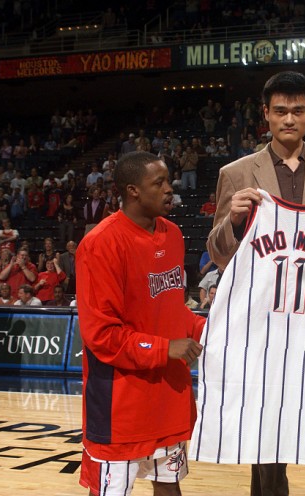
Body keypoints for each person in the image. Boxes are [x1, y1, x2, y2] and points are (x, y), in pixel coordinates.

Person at [204, 71, 305, 496]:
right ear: (266, 114)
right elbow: (219, 254)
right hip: (264, 331)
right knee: (266, 447)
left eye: (298, 110)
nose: (289, 119)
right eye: (280, 111)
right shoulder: (236, 173)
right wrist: (234, 222)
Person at [77, 151, 205, 496]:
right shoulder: (100, 243)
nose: (169, 189)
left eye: (168, 181)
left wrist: (207, 329)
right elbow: (101, 334)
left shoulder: (173, 234)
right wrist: (165, 348)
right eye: (158, 183)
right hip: (121, 405)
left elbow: (171, 307)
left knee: (170, 488)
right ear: (132, 190)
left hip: (169, 395)